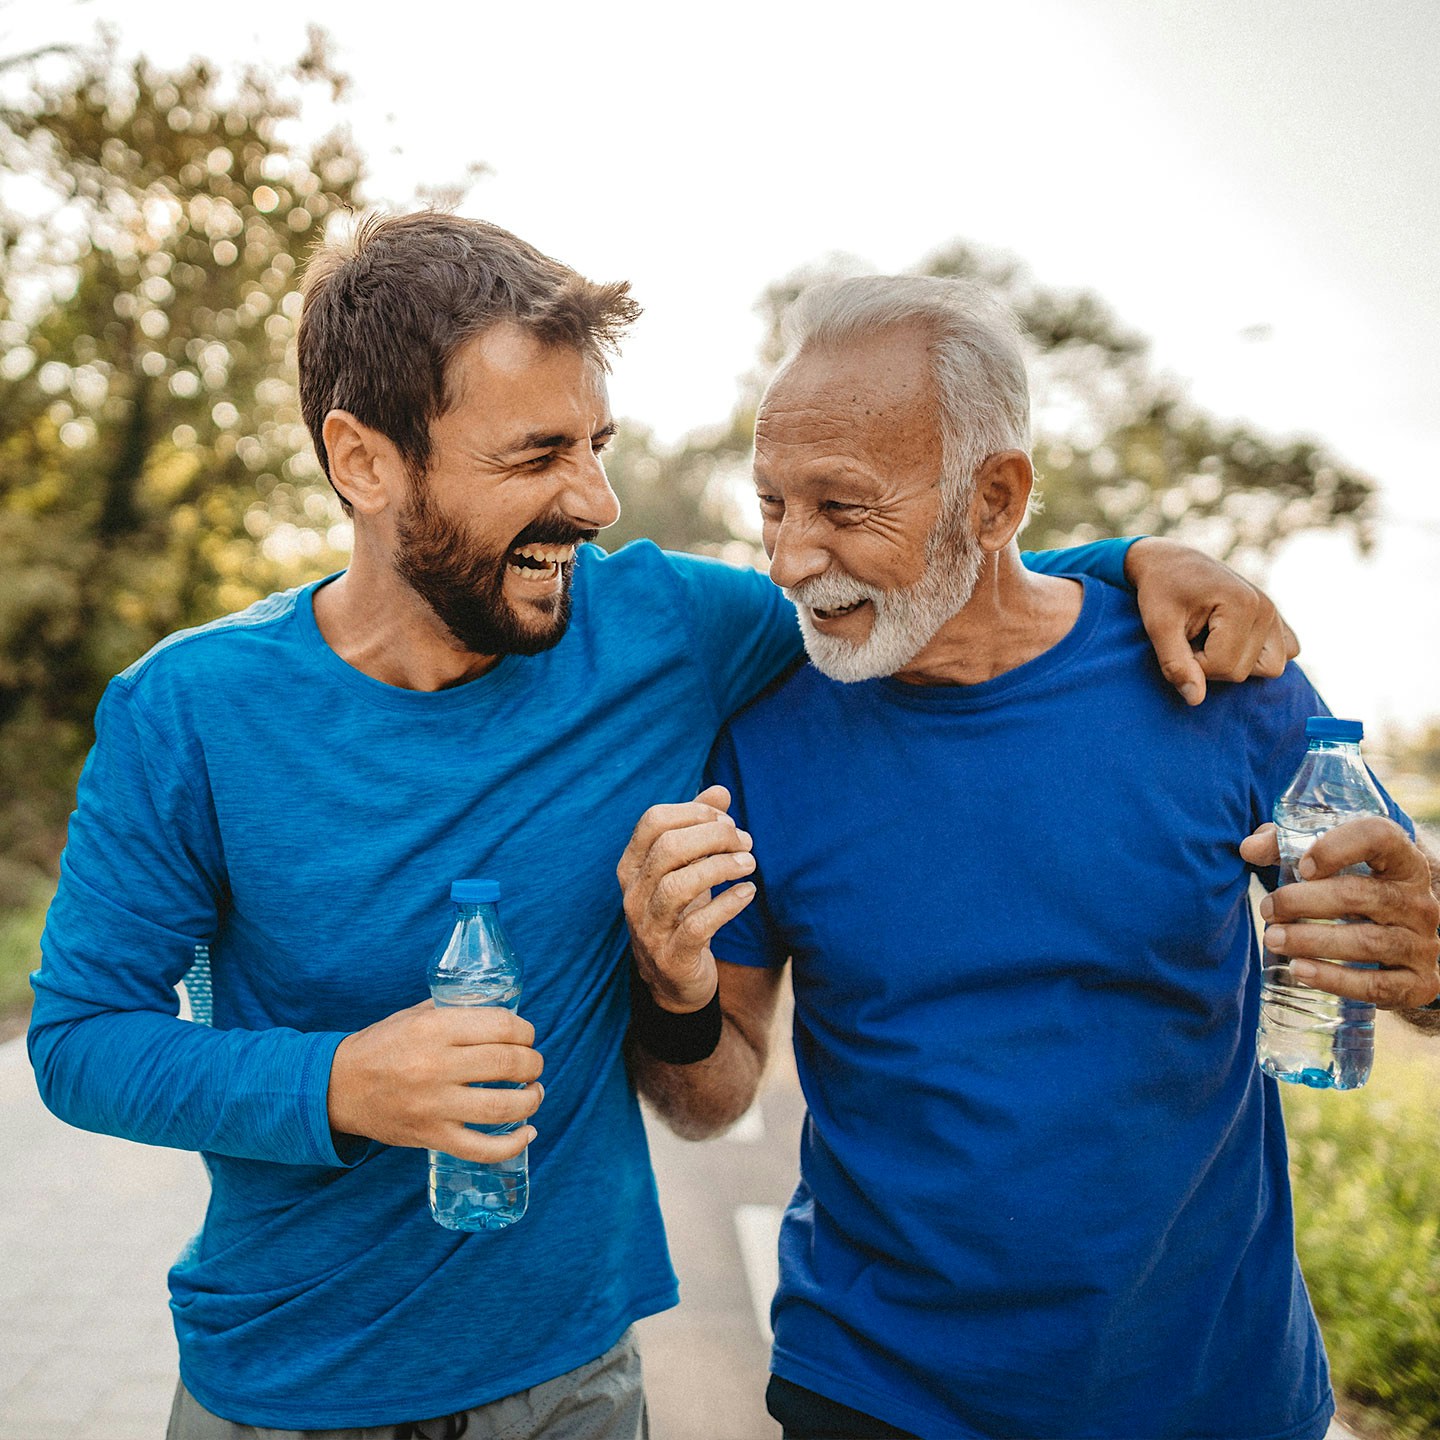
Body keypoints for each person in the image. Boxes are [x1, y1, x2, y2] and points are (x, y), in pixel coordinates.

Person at [29, 213, 1301, 1440]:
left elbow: (926, 583)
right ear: (364, 461)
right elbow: (81, 1041)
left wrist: (1138, 563)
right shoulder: (186, 714)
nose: (595, 500)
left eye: (597, 442)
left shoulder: (665, 634)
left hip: (568, 1381)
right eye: (536, 457)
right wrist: (338, 1083)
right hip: (280, 1379)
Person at [618, 275, 1440, 1440]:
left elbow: (1406, 958)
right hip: (875, 1394)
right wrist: (675, 992)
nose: (794, 559)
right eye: (771, 506)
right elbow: (711, 1098)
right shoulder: (764, 735)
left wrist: (1429, 966)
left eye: (843, 508)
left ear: (994, 498)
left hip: (1219, 1395)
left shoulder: (1217, 682)